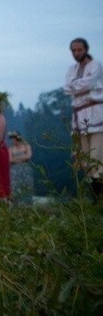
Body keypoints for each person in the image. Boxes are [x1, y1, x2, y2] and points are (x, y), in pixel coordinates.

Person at [63, 38, 103, 200]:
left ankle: (98, 197)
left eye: (79, 50)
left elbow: (89, 83)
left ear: (86, 49)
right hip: (79, 117)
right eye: (74, 50)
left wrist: (76, 86)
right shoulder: (71, 69)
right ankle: (94, 196)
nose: (76, 53)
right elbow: (66, 88)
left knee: (97, 156)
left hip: (95, 114)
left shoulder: (95, 65)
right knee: (84, 158)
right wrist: (78, 86)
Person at [8, 131, 34, 205]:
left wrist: (17, 158)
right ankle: (16, 204)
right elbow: (10, 159)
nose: (13, 140)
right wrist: (22, 158)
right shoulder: (11, 149)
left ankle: (27, 204)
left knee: (26, 186)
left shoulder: (26, 146)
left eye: (14, 138)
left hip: (25, 170)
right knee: (15, 187)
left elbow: (28, 156)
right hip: (14, 171)